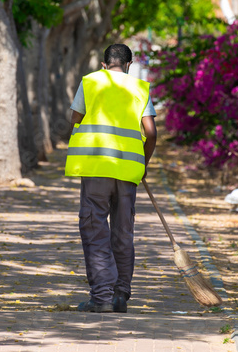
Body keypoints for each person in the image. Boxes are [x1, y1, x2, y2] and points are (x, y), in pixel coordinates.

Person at [65, 44, 157, 313]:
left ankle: (101, 297)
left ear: (104, 64)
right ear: (129, 65)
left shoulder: (91, 82)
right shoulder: (140, 88)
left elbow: (75, 120)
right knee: (123, 232)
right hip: (128, 172)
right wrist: (143, 161)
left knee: (94, 229)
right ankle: (119, 296)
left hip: (96, 167)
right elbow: (150, 133)